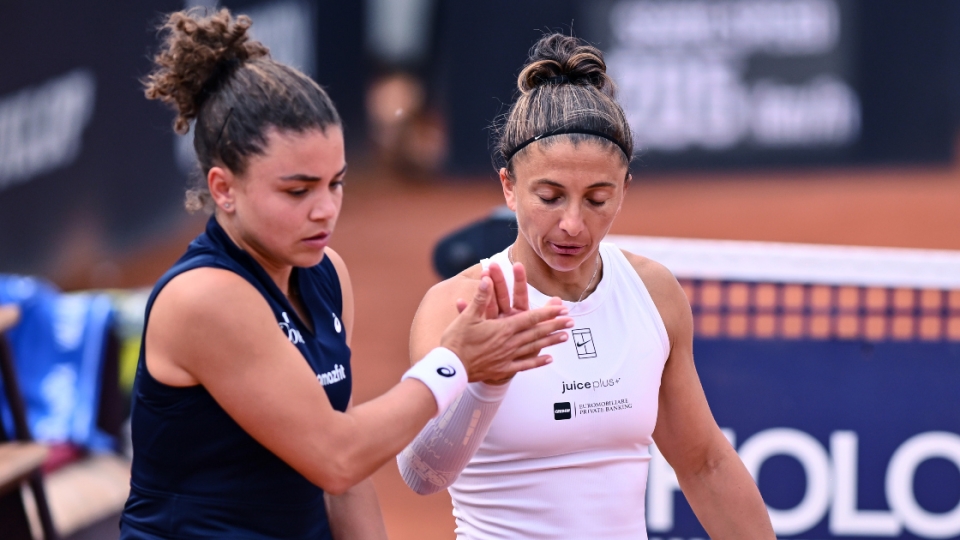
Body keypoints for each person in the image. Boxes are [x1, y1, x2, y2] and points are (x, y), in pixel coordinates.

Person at [119, 9, 573, 539]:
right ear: (223, 189)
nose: (325, 210)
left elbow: (344, 483)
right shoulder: (205, 298)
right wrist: (455, 362)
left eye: (334, 183)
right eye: (297, 190)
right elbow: (337, 455)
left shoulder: (325, 274)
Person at [398, 34, 776, 539]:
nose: (573, 225)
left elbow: (704, 464)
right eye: (550, 197)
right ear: (508, 186)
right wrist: (485, 382)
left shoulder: (654, 293)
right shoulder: (456, 306)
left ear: (624, 190)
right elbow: (422, 475)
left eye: (597, 199)